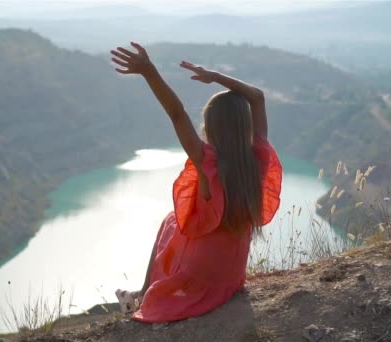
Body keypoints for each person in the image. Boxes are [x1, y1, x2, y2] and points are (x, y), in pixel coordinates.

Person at [110, 42, 282, 323]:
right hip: (230, 278)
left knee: (171, 220)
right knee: (174, 220)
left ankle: (142, 293)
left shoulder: (208, 163)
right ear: (247, 125)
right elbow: (258, 97)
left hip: (201, 278)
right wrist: (215, 76)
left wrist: (149, 71)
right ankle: (141, 293)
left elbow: (176, 113)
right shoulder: (258, 158)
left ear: (210, 127)